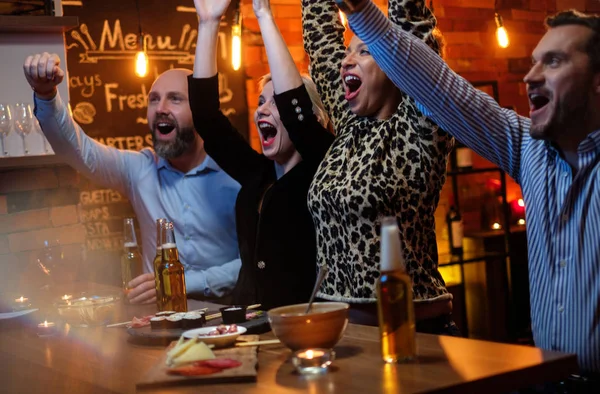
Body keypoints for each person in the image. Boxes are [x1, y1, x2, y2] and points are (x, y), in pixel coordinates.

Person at [344, 0, 600, 379]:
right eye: (533, 61)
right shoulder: (529, 149)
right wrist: (360, 9)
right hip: (544, 379)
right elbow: (439, 88)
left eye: (554, 61)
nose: (530, 76)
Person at [22, 54, 241, 304]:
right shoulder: (140, 169)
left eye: (175, 99)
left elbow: (254, 263)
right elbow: (77, 150)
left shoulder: (237, 174)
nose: (160, 108)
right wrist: (46, 94)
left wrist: (183, 283)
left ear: (202, 112)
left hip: (225, 321)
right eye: (154, 100)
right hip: (160, 321)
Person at [301, 0, 458, 334]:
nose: (346, 61)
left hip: (412, 331)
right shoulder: (348, 123)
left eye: (364, 52)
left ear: (395, 62)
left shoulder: (420, 131)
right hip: (345, 333)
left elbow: (414, 37)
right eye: (348, 51)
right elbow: (320, 37)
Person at [189, 0, 333, 310]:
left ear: (317, 119)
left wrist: (264, 13)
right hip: (249, 327)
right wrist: (208, 23)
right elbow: (206, 117)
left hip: (303, 328)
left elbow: (299, 117)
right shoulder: (258, 173)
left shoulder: (324, 169)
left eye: (276, 102)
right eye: (261, 101)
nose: (262, 110)